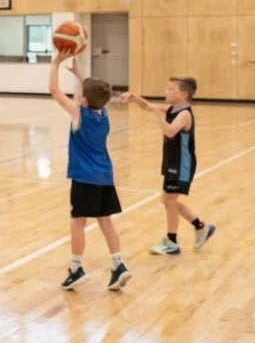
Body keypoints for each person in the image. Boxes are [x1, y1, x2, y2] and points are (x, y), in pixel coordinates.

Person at [49, 53, 130, 291]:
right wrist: (78, 74)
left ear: (83, 99)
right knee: (105, 221)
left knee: (77, 222)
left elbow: (54, 91)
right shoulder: (103, 112)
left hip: (85, 178)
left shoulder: (79, 114)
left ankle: (76, 268)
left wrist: (55, 63)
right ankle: (119, 264)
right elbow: (95, 94)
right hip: (105, 176)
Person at [122, 77, 215, 255]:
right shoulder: (174, 109)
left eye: (171, 89)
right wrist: (135, 98)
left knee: (169, 200)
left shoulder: (184, 114)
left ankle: (172, 241)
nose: (166, 91)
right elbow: (149, 107)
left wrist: (159, 116)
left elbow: (170, 131)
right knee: (168, 200)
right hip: (172, 161)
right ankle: (200, 227)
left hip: (182, 163)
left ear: (183, 94)